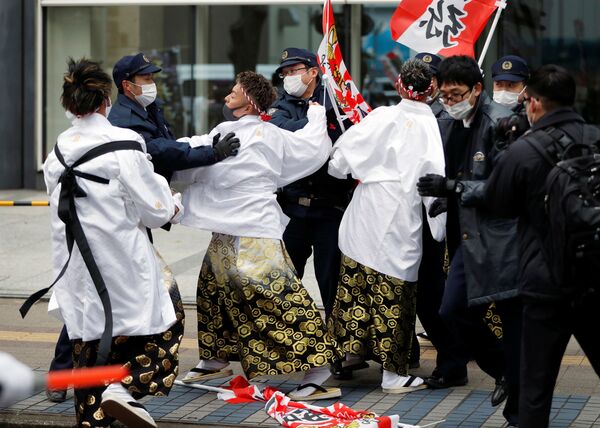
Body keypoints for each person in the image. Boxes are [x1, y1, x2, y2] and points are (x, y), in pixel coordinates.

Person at [174, 71, 342, 401]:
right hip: (227, 224)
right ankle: (217, 357)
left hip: (254, 223)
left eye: (234, 91)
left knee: (275, 293)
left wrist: (317, 114)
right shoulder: (224, 131)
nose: (226, 96)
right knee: (213, 288)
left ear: (249, 100)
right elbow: (199, 153)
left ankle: (320, 366)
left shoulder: (269, 133)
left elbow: (310, 147)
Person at [42, 58, 185, 428]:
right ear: (105, 99)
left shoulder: (57, 150)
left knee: (88, 356)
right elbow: (155, 210)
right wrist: (173, 203)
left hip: (77, 270)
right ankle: (125, 389)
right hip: (122, 263)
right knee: (168, 318)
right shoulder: (123, 143)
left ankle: (96, 417)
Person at [485, 64, 600, 428]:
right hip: (594, 278)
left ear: (532, 103)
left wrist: (504, 148)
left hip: (544, 280)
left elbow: (497, 206)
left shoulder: (524, 150)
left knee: (536, 386)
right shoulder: (596, 137)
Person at [326, 59, 445, 393]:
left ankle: (347, 356)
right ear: (432, 89)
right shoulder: (428, 127)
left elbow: (338, 163)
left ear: (398, 85)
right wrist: (440, 227)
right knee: (394, 292)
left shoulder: (380, 116)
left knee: (354, 286)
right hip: (399, 214)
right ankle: (393, 374)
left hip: (366, 209)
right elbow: (433, 183)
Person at [416, 55, 517, 423]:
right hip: (465, 233)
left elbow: (504, 187)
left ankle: (517, 389)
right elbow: (454, 174)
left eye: (456, 94)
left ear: (477, 89)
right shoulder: (451, 122)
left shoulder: (499, 124)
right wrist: (446, 196)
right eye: (443, 95)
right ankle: (507, 370)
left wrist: (454, 187)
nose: (449, 101)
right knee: (454, 310)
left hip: (498, 239)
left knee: (504, 318)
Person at [268, 48, 355, 322]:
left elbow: (355, 137)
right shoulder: (280, 104)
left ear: (313, 72)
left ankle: (337, 348)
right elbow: (282, 131)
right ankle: (284, 344)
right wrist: (319, 121)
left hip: (331, 208)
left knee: (333, 282)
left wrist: (334, 118)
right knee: (283, 283)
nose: (288, 77)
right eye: (285, 73)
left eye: (294, 71)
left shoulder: (338, 103)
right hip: (292, 208)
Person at [108, 52, 239, 181]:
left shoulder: (148, 106)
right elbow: (162, 152)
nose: (152, 83)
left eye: (152, 78)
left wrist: (206, 146)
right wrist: (213, 153)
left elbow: (170, 144)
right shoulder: (126, 120)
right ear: (127, 85)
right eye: (147, 79)